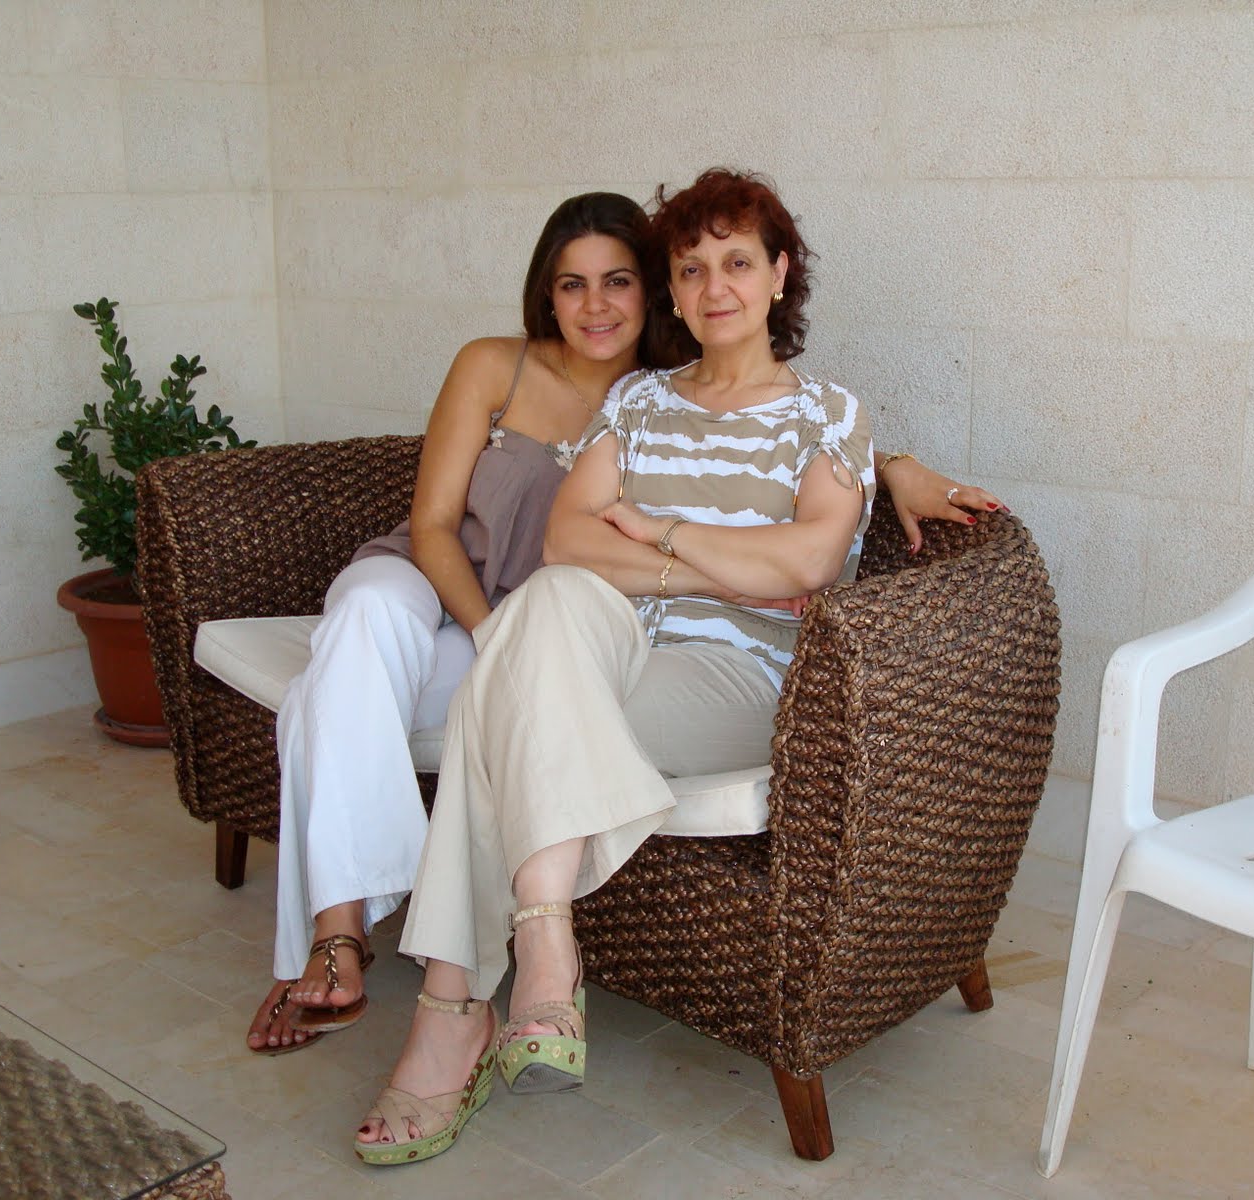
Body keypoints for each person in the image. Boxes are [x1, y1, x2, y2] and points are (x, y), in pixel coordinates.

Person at [245, 191, 998, 1055]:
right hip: (483, 602)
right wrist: (711, 571)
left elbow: (804, 509)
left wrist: (888, 468)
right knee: (374, 637)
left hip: (596, 640)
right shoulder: (575, 385)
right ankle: (351, 935)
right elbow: (505, 534)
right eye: (574, 284)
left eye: (618, 282)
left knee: (476, 711)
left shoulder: (710, 392)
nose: (596, 304)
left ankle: (456, 1006)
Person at [353, 167, 922, 1164]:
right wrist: (720, 564)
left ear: (780, 273)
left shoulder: (827, 413)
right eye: (691, 268)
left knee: (499, 704)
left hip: (741, 674)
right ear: (674, 290)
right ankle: (544, 941)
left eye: (737, 262)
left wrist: (657, 529)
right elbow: (569, 542)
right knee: (547, 604)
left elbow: (808, 560)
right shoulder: (641, 400)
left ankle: (455, 1010)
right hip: (608, 640)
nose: (715, 287)